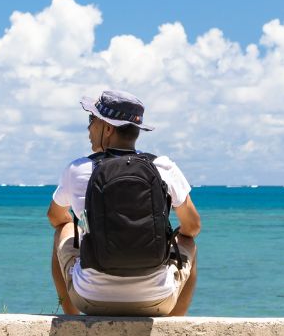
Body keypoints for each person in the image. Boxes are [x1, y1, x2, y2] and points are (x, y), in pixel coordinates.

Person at [47, 90, 201, 317]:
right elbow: (193, 227)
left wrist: (89, 228)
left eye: (92, 120)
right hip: (157, 301)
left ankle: (71, 320)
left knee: (64, 229)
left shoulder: (78, 169)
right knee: (188, 241)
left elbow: (55, 217)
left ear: (107, 128)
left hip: (90, 299)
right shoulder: (163, 167)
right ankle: (174, 325)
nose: (89, 129)